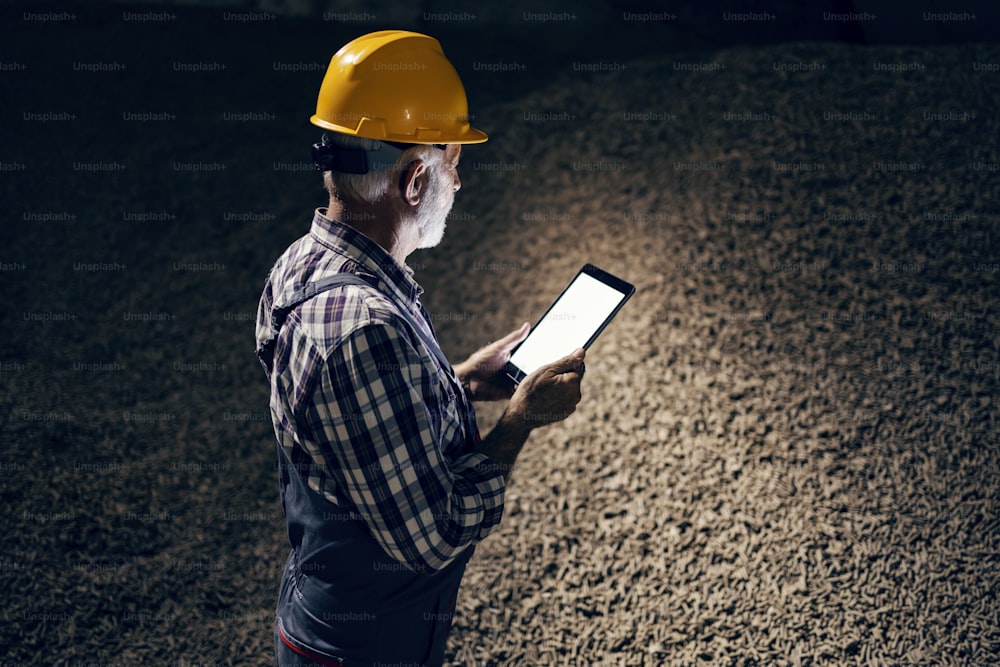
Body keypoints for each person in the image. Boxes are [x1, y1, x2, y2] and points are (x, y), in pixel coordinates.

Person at [255, 31, 585, 667]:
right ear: (413, 181)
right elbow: (437, 534)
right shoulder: (366, 329)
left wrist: (458, 381)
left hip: (321, 616)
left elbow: (342, 424)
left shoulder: (299, 265)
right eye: (452, 163)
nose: (457, 183)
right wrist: (520, 419)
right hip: (364, 647)